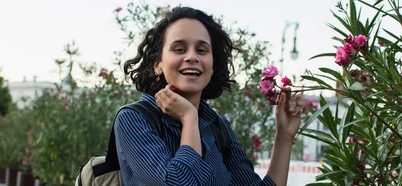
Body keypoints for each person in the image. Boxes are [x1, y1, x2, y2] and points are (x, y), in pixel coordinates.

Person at [115, 6, 304, 186]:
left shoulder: (217, 126)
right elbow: (180, 182)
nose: (192, 57)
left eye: (202, 50)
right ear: (158, 64)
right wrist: (189, 118)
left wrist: (284, 137)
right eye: (179, 49)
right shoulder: (134, 119)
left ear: (213, 65)